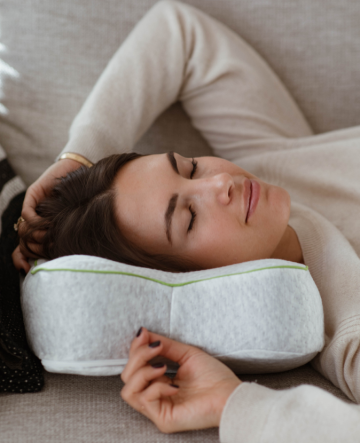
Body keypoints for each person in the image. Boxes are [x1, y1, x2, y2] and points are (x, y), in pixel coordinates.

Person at [11, 0, 360, 440]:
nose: (220, 184)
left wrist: (80, 156)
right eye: (190, 218)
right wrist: (236, 405)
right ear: (194, 283)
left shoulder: (267, 164)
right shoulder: (350, 331)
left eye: (191, 167)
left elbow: (180, 32)